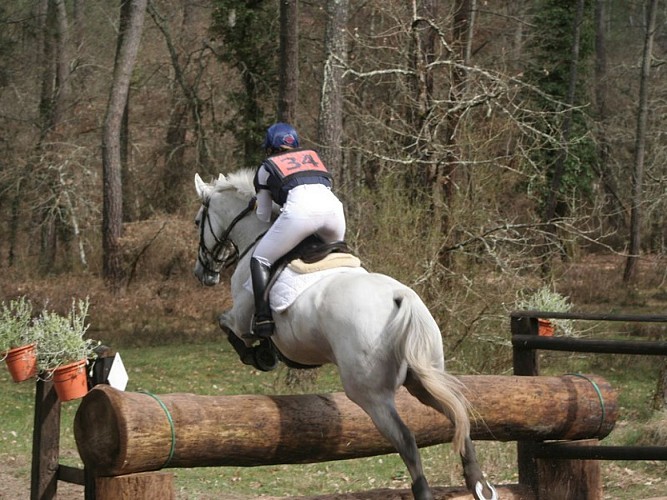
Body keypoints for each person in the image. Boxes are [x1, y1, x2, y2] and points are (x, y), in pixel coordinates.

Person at [247, 122, 346, 340]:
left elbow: (263, 216)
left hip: (300, 215)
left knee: (260, 259)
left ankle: (263, 319)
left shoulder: (267, 166)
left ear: (270, 147)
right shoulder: (314, 158)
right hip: (335, 214)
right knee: (340, 260)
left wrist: (258, 202)